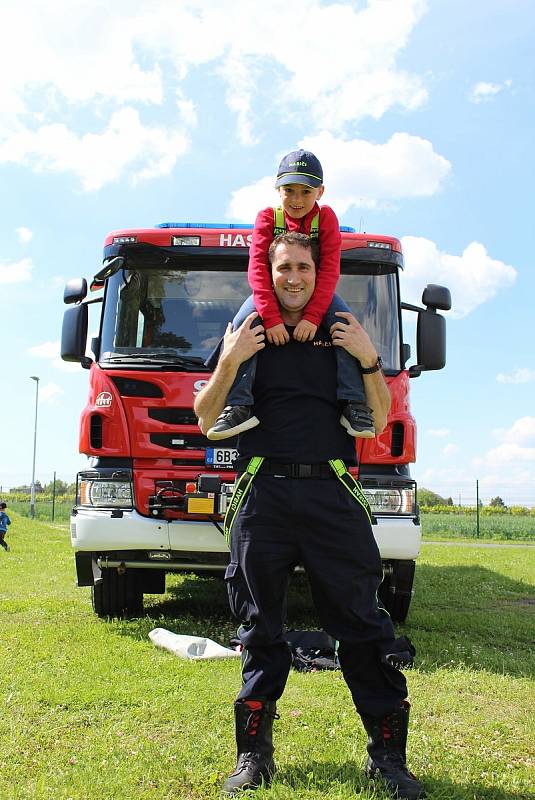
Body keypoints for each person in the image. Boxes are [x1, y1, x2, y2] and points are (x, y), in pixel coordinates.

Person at [195, 232, 424, 799]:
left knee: (365, 629)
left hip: (332, 495)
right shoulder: (246, 332)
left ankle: (388, 760)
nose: (293, 278)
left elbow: (377, 418)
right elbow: (204, 418)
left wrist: (370, 358)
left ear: (318, 274)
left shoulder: (344, 333)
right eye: (283, 269)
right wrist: (230, 360)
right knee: (259, 631)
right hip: (263, 496)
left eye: (303, 267)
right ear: (267, 274)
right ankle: (253, 757)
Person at [206, 148, 374, 442]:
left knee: (347, 327)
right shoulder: (268, 217)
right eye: (289, 190)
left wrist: (313, 316)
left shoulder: (327, 219)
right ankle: (238, 404)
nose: (297, 199)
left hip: (318, 293)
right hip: (269, 294)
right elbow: (258, 270)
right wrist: (270, 319)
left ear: (320, 191)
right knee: (242, 324)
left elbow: (330, 271)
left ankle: (354, 403)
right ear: (277, 188)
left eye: (305, 191)